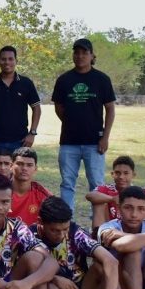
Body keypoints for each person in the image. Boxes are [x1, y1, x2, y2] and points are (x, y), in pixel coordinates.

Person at [52, 38, 116, 209]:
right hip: (68, 142)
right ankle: (66, 224)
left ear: (92, 55)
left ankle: (98, 225)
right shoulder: (64, 80)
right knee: (67, 184)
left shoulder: (102, 79)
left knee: (97, 185)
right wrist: (71, 122)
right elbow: (58, 107)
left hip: (94, 142)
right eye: (76, 52)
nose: (80, 56)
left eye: (84, 53)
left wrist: (105, 137)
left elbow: (110, 109)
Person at [0, 45, 41, 176]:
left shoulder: (26, 83)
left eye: (10, 59)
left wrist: (32, 133)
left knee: (17, 179)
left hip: (20, 141)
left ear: (16, 61)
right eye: (3, 59)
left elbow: (36, 108)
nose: (7, 62)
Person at [86, 156, 145, 229]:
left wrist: (132, 202)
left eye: (126, 173)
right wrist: (112, 199)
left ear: (133, 175)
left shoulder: (140, 191)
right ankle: (99, 236)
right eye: (117, 173)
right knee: (98, 202)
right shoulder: (105, 189)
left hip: (135, 229)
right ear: (112, 174)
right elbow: (90, 196)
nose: (121, 177)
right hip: (109, 229)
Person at [9, 147, 52, 226]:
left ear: (35, 168)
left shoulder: (44, 195)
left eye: (29, 165)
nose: (24, 168)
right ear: (11, 166)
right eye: (20, 164)